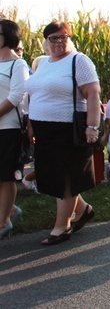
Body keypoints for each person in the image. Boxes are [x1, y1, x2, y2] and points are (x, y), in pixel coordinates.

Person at [25, 21, 100, 245]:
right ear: (46, 41)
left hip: (68, 129)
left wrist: (92, 127)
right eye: (53, 38)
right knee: (52, 175)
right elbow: (35, 96)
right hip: (44, 129)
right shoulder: (43, 63)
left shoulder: (79, 60)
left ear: (70, 38)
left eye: (63, 37)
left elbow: (93, 95)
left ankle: (62, 227)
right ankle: (84, 210)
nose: (58, 42)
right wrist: (31, 125)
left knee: (65, 178)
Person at [0, 19, 29, 239]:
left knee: (6, 176)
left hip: (8, 128)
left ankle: (3, 223)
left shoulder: (17, 64)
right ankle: (10, 209)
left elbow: (17, 96)